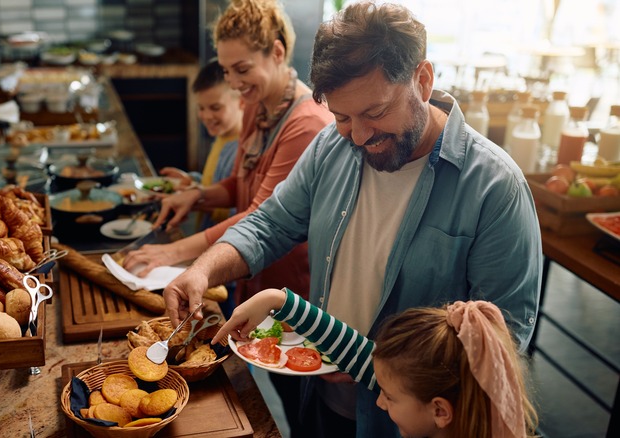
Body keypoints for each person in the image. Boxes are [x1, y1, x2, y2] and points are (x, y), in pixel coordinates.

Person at [162, 2, 541, 436]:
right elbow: (270, 224)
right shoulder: (331, 146)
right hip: (319, 399)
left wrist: (366, 360)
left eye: (376, 113)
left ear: (422, 80)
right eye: (342, 117)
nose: (359, 137)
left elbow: (499, 348)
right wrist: (202, 269)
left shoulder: (494, 188)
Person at [123, 0, 333, 431]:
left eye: (242, 69)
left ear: (277, 53)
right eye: (227, 71)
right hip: (252, 274)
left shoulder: (306, 123)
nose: (234, 83)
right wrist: (197, 196)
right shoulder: (257, 104)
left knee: (295, 396)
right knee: (261, 383)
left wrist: (173, 254)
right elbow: (242, 186)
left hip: (294, 288)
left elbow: (263, 215)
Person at [212, 288, 539, 438]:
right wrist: (278, 301)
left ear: (440, 411)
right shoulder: (430, 395)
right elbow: (361, 357)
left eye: (389, 396)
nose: (378, 400)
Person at [158, 58, 243, 233]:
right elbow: (214, 180)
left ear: (241, 101)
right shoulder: (222, 136)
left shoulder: (241, 148)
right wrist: (192, 180)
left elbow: (237, 212)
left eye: (215, 108)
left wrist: (193, 198)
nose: (206, 116)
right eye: (201, 108)